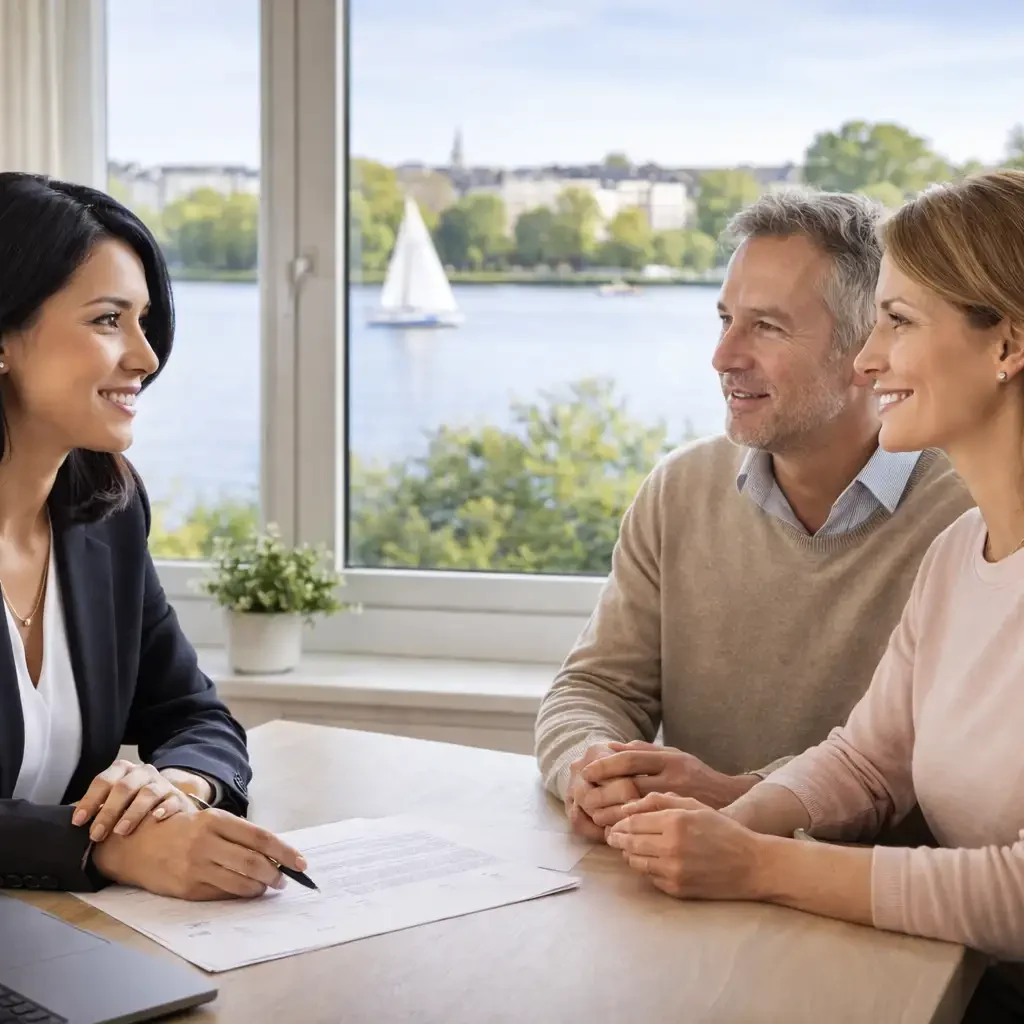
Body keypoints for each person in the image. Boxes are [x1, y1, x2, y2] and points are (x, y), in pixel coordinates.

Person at [606, 169, 1024, 1021]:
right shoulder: (959, 556)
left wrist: (760, 864)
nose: (870, 361)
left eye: (898, 323)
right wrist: (734, 827)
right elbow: (870, 758)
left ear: (1007, 346)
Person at [534, 188, 974, 842]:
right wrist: (592, 765)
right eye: (724, 319)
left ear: (866, 348)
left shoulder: (969, 516)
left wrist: (745, 798)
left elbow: (941, 764)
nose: (724, 356)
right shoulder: (679, 490)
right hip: (692, 886)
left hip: (871, 915)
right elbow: (595, 687)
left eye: (765, 326)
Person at [0, 172, 306, 900]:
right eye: (109, 320)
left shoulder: (107, 516)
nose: (146, 356)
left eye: (143, 321)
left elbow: (191, 713)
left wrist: (174, 789)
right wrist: (97, 850)